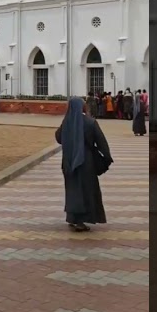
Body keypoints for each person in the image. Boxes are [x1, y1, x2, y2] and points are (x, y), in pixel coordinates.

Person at [54, 97, 112, 232]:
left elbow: (58, 138)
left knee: (73, 190)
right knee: (86, 191)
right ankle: (80, 221)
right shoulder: (90, 122)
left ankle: (72, 218)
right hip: (86, 162)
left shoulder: (67, 123)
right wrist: (107, 158)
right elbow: (101, 141)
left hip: (69, 162)